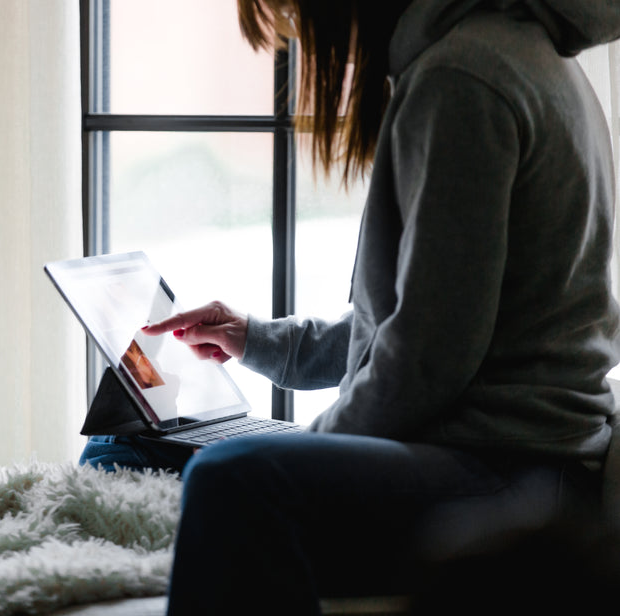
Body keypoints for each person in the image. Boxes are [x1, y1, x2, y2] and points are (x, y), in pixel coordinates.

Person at [80, 0, 620, 612]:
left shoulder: (463, 80)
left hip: (507, 471)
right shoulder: (509, 56)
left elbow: (426, 359)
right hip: (494, 457)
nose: (306, 39)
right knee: (118, 452)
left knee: (230, 479)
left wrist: (310, 443)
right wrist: (255, 337)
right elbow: (419, 322)